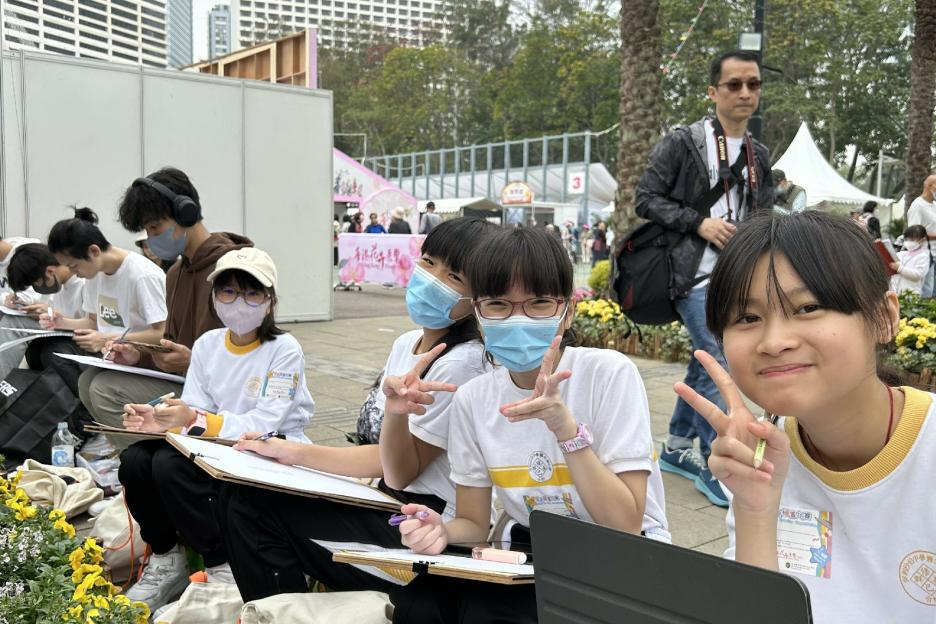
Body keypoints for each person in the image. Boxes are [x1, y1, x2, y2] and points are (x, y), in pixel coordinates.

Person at [389, 227, 669, 623]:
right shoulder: (474, 398)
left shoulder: (608, 374)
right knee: (422, 602)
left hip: (622, 558)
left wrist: (566, 431)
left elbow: (624, 525)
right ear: (479, 315)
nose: (517, 318)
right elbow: (473, 522)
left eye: (538, 303)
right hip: (529, 556)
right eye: (498, 304)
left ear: (568, 311)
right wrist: (442, 530)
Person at [675, 210, 935, 623]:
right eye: (747, 318)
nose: (774, 341)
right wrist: (754, 509)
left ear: (884, 317)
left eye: (808, 307)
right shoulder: (760, 458)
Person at [221, 218, 496, 603]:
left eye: (454, 277)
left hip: (426, 526)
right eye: (429, 262)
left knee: (253, 509)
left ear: (479, 298)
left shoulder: (460, 365)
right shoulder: (407, 343)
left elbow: (397, 468)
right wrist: (286, 452)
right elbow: (385, 457)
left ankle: (275, 609)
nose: (432, 279)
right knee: (246, 493)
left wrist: (295, 452)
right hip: (387, 500)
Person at [117, 248, 314, 611]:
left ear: (270, 302)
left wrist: (195, 420)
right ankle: (166, 556)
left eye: (252, 293)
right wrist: (161, 419)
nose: (239, 303)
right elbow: (196, 406)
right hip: (218, 444)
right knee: (136, 460)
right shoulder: (208, 344)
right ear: (214, 297)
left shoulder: (284, 349)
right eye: (228, 292)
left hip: (270, 449)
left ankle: (223, 564)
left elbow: (266, 422)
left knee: (170, 466)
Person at [635, 49, 773, 507]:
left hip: (735, 277)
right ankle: (718, 462)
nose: (745, 93)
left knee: (705, 361)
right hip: (691, 277)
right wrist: (699, 222)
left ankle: (676, 447)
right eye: (734, 84)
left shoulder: (758, 154)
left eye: (753, 84)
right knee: (721, 359)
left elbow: (764, 215)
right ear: (713, 91)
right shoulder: (684, 143)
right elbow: (646, 198)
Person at [79, 168, 252, 450]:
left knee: (104, 389)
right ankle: (143, 460)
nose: (151, 238)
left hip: (223, 396)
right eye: (147, 230)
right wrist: (139, 355)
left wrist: (192, 361)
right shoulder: (175, 273)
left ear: (186, 213)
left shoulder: (235, 269)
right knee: (88, 380)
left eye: (155, 227)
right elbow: (169, 343)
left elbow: (252, 358)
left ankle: (157, 458)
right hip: (185, 381)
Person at [43, 207, 166, 354]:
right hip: (109, 354)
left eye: (74, 266)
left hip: (141, 357)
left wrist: (109, 339)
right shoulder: (94, 273)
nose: (73, 273)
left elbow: (162, 333)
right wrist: (62, 322)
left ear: (94, 251)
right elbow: (94, 322)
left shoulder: (142, 276)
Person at [2, 244, 89, 403]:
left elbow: (95, 325)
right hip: (64, 333)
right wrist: (39, 310)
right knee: (19, 327)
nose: (37, 288)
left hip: (88, 340)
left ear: (50, 271)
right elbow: (56, 311)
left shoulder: (84, 283)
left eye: (36, 283)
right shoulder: (59, 285)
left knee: (17, 325)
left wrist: (53, 315)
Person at [906, 174, 936, 296]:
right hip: (925, 255)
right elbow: (914, 232)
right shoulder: (917, 205)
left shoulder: (934, 205)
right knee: (926, 291)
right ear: (931, 186)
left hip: (934, 253)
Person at [890, 225, 930, 295]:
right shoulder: (902, 254)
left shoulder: (923, 256)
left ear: (922, 240)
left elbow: (917, 275)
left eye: (912, 240)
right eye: (906, 239)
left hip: (911, 294)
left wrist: (899, 268)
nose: (908, 242)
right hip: (896, 291)